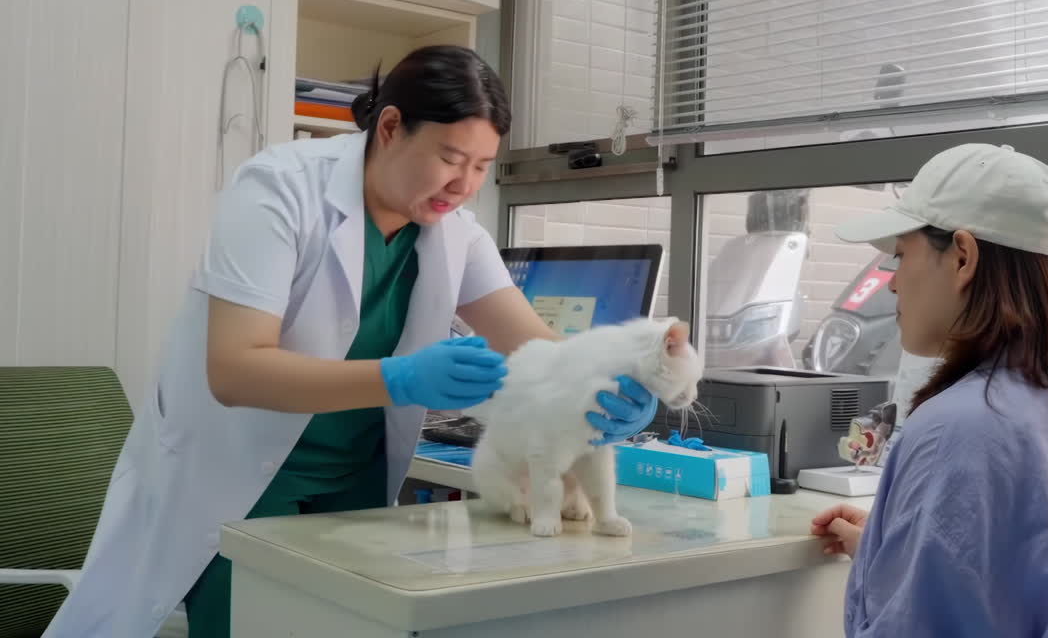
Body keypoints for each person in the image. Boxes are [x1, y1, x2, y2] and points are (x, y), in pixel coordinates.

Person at [44, 45, 658, 638]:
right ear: (391, 126)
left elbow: (536, 348)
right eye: (450, 157)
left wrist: (609, 390)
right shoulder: (277, 191)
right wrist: (400, 377)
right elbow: (233, 369)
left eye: (481, 168)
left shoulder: (455, 234)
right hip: (241, 484)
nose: (464, 183)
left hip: (354, 484)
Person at [811, 144, 1048, 637]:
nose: (893, 285)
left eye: (901, 256)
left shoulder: (959, 431)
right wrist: (887, 542)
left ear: (962, 256)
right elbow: (1032, 580)